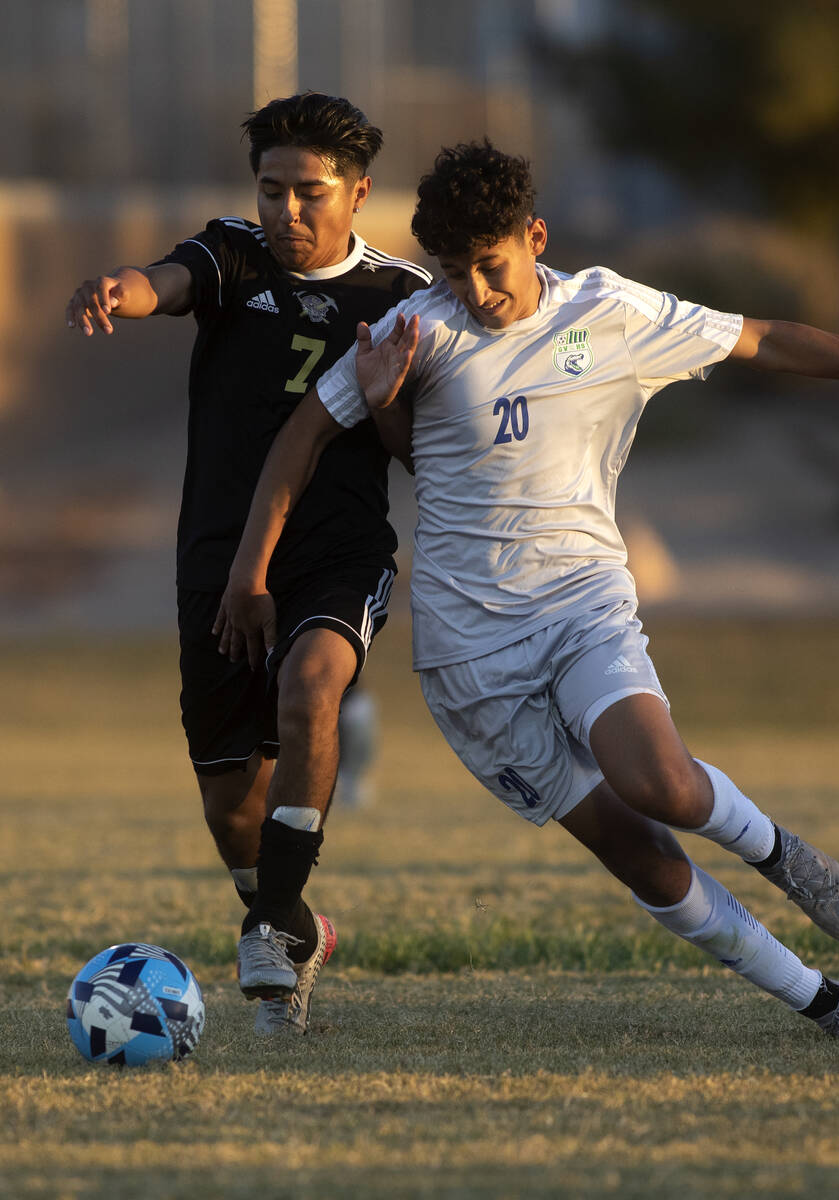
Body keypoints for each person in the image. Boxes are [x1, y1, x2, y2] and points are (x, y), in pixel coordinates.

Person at [217, 141, 839, 1044]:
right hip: (467, 657)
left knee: (665, 787)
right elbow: (303, 438)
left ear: (535, 237)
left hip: (579, 606)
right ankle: (825, 1003)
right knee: (637, 854)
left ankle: (777, 851)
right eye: (455, 274)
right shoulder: (419, 331)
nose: (477, 294)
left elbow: (762, 338)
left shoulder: (611, 311)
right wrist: (263, 557)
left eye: (491, 268)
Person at [64, 93, 431, 1036]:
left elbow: (420, 452)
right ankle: (296, 921)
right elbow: (167, 280)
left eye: (310, 193)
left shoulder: (400, 299)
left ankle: (268, 933)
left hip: (334, 553)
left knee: (314, 685)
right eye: (272, 191)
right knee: (233, 805)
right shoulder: (233, 254)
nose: (288, 213)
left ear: (359, 193)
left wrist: (387, 396)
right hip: (218, 561)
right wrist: (123, 289)